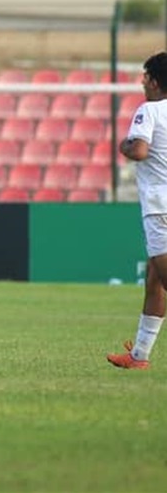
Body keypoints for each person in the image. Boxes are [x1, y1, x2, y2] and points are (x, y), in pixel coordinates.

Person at [108, 51, 167, 369]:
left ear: (155, 82)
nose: (142, 81)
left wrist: (124, 146)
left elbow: (140, 150)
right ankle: (140, 355)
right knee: (154, 280)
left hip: (161, 208)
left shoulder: (150, 110)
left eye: (146, 76)